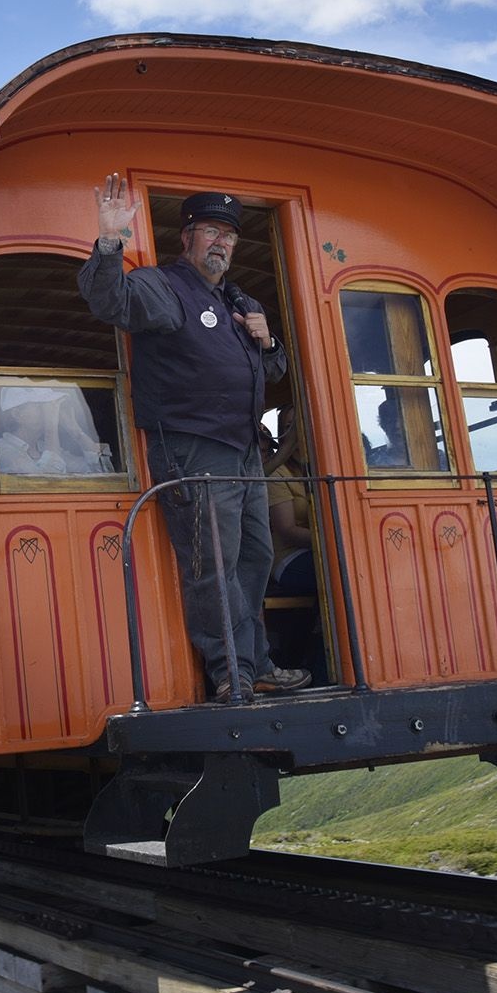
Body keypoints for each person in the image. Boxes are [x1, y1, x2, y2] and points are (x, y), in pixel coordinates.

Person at [78, 173, 310, 702]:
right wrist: (111, 240)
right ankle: (230, 673)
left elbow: (271, 368)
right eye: (211, 231)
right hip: (193, 449)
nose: (221, 242)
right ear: (187, 238)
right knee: (213, 563)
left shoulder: (238, 299)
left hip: (244, 451)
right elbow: (109, 301)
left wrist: (267, 337)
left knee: (254, 556)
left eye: (229, 235)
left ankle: (258, 665)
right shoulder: (165, 287)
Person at [263, 411, 328, 683]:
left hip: (321, 551)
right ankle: (322, 670)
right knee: (336, 576)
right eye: (290, 428)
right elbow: (287, 530)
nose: (298, 433)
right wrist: (333, 541)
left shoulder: (322, 465)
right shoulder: (277, 472)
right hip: (288, 558)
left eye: (302, 425)